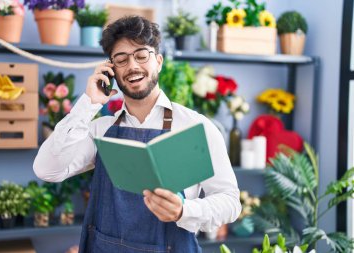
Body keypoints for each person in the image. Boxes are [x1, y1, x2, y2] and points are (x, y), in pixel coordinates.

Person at [34, 15, 241, 253]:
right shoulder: (100, 130)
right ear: (111, 70)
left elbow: (230, 201)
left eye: (142, 55)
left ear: (159, 61)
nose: (132, 66)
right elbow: (46, 169)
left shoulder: (196, 127)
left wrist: (185, 211)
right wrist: (88, 103)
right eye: (121, 60)